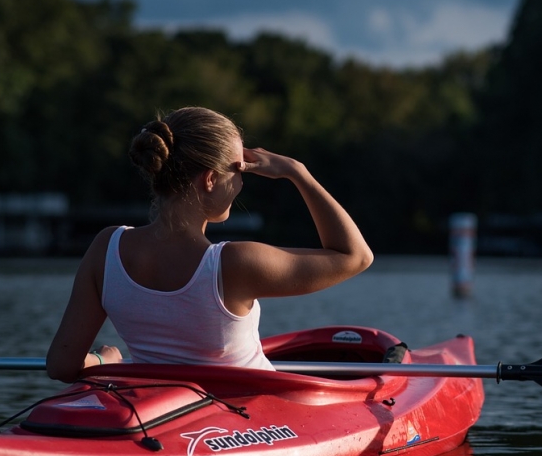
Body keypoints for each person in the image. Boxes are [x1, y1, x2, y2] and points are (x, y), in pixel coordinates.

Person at [46, 106, 373, 382]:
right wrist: (297, 173)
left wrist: (106, 364)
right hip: (249, 425)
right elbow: (355, 256)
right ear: (211, 179)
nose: (243, 181)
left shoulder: (107, 248)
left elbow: (62, 365)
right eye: (239, 169)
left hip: (166, 420)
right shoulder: (235, 263)